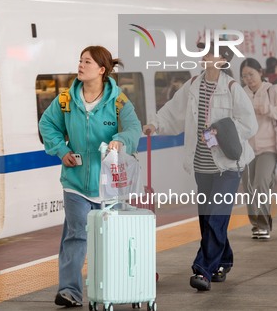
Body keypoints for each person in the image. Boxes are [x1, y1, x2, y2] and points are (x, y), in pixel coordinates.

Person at [143, 44, 257, 291]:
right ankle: (223, 260)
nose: (204, 57)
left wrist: (222, 130)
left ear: (223, 60)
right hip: (201, 164)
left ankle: (203, 270)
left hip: (227, 165)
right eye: (203, 53)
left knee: (216, 217)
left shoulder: (232, 89)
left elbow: (250, 124)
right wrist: (154, 124)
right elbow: (173, 111)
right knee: (207, 219)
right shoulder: (193, 85)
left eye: (210, 53)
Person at [39, 45, 142, 308]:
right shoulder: (65, 100)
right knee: (77, 234)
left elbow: (133, 129)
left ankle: (120, 285)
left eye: (87, 62)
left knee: (112, 238)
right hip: (75, 183)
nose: (81, 65)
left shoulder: (118, 102)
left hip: (109, 184)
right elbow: (47, 124)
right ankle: (70, 291)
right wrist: (61, 150)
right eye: (80, 60)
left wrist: (120, 140)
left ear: (101, 70)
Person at [240, 58, 277, 240]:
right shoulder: (240, 93)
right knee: (248, 187)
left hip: (268, 146)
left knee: (260, 182)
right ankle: (256, 224)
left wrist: (267, 109)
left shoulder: (272, 90)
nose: (248, 79)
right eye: (244, 76)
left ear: (260, 72)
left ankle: (263, 225)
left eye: (251, 74)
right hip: (246, 149)